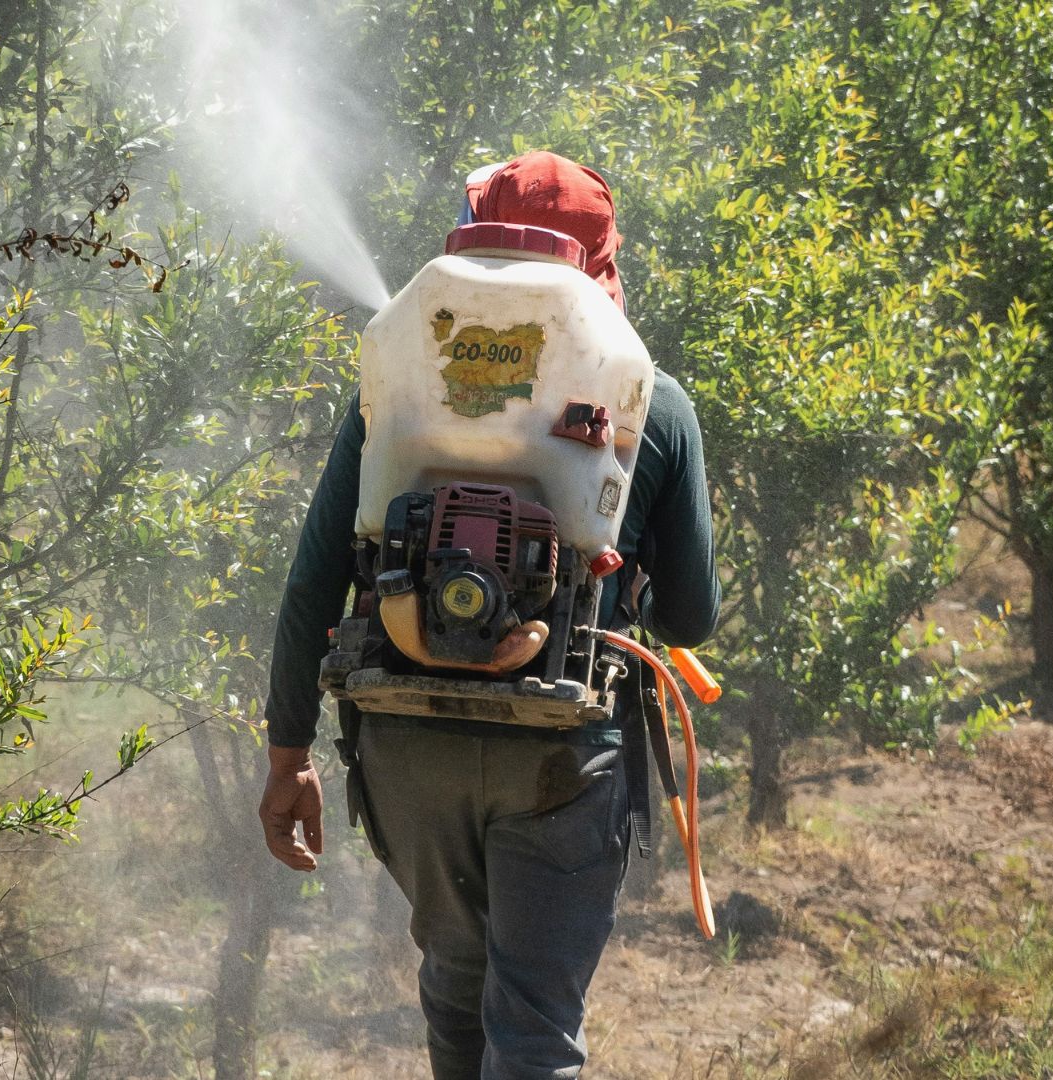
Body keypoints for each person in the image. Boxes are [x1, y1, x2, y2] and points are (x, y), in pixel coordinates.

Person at [258, 150, 719, 1080]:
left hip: (404, 739)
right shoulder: (651, 403)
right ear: (599, 262)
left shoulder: (393, 393)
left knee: (457, 995)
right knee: (535, 1031)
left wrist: (287, 757)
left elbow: (313, 582)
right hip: (556, 749)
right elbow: (691, 619)